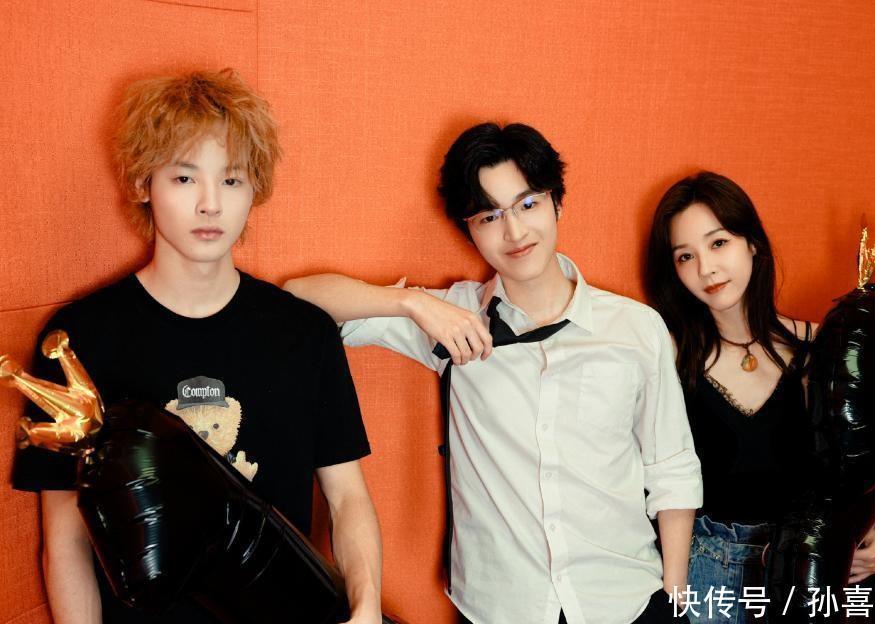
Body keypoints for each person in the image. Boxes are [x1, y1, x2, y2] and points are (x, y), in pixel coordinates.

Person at [285, 122, 701, 624]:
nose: (515, 232)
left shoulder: (635, 328)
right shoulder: (452, 318)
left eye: (528, 204)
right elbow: (296, 301)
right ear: (470, 229)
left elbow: (672, 467)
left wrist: (674, 598)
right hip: (500, 608)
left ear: (557, 203)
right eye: (490, 216)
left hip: (625, 601)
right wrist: (412, 303)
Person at [10, 69, 383, 624]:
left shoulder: (304, 334)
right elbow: (66, 536)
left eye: (231, 180)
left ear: (254, 189)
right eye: (185, 178)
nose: (210, 205)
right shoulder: (81, 337)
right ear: (144, 183)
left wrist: (367, 606)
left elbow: (348, 496)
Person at [643, 171, 875, 623]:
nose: (706, 268)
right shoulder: (668, 354)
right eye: (685, 256)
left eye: (718, 243)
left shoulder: (821, 347)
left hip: (810, 569)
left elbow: (858, 460)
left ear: (752, 244)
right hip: (709, 572)